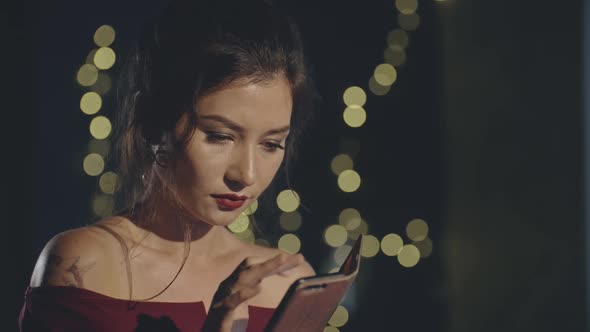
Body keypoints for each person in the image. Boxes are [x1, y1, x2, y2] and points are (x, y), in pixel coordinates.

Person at [19, 0, 319, 330]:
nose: (246, 174)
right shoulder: (83, 267)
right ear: (152, 123)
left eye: (271, 144)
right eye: (219, 136)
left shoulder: (285, 285)